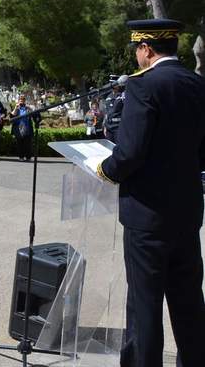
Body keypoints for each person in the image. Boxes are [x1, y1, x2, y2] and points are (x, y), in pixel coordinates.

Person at [95, 19, 205, 367]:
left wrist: (104, 168)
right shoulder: (197, 84)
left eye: (137, 51)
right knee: (189, 304)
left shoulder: (145, 87)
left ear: (146, 49)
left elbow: (129, 153)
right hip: (186, 214)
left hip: (146, 216)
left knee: (145, 307)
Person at [10, 95, 33, 161]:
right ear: (18, 101)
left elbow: (33, 113)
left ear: (25, 101)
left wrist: (29, 108)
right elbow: (12, 116)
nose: (22, 102)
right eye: (20, 100)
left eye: (23, 100)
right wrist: (16, 108)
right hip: (18, 128)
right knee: (19, 144)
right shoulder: (16, 108)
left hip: (27, 127)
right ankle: (21, 157)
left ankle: (28, 157)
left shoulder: (27, 108)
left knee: (28, 144)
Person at [104, 76, 126, 143]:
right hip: (109, 127)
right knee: (109, 148)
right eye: (111, 84)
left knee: (119, 147)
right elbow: (106, 112)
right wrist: (105, 126)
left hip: (118, 127)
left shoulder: (122, 95)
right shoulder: (108, 96)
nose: (112, 86)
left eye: (114, 84)